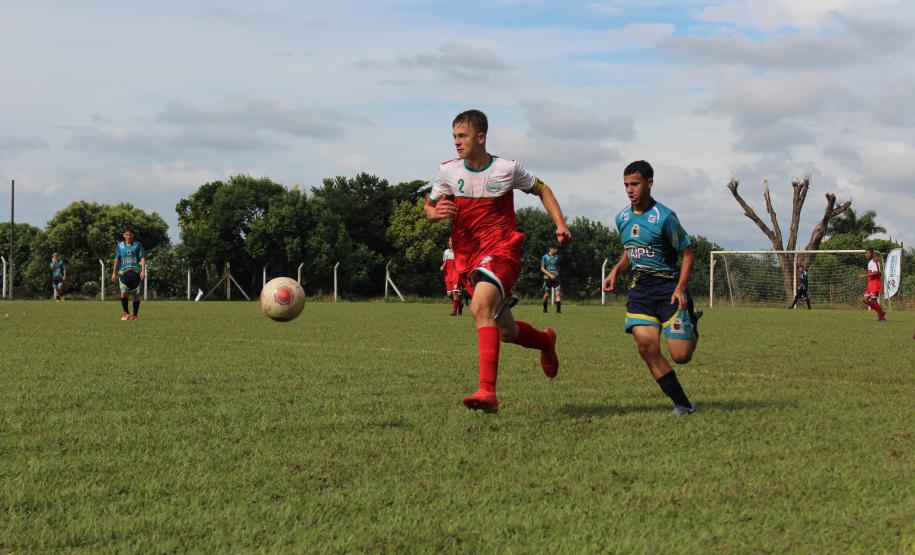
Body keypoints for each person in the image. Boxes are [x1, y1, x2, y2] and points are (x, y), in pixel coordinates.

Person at [425, 109, 572, 413]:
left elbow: (542, 189)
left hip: (502, 250)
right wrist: (434, 213)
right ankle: (546, 341)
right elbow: (430, 205)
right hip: (467, 257)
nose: (456, 142)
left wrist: (560, 223)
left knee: (479, 308)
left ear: (481, 137)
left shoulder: (507, 169)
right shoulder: (448, 171)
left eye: (462, 136)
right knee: (505, 331)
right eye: (453, 136)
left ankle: (487, 392)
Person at [603, 160, 701, 416]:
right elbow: (631, 252)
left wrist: (681, 287)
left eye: (635, 184)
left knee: (681, 356)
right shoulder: (622, 218)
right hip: (641, 291)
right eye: (626, 185)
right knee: (647, 348)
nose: (630, 190)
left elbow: (687, 254)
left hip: (668, 289)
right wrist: (615, 270)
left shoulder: (665, 217)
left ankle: (692, 322)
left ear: (649, 183)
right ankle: (683, 404)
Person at [110, 227, 146, 321]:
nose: (128, 236)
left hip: (135, 273)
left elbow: (142, 258)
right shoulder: (120, 245)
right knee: (123, 293)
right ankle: (126, 312)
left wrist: (143, 271)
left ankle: (134, 315)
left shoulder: (138, 245)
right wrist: (114, 272)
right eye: (126, 234)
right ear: (123, 235)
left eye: (130, 234)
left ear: (133, 235)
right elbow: (117, 259)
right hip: (123, 273)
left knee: (136, 296)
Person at [859, 248, 887, 322]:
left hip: (874, 283)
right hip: (870, 283)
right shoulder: (870, 262)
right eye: (866, 253)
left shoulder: (874, 261)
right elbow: (879, 273)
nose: (867, 254)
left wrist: (864, 276)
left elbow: (876, 273)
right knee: (865, 300)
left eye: (869, 253)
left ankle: (882, 318)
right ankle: (880, 311)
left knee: (874, 301)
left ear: (872, 254)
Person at [441, 239, 463, 316]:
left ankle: (454, 311)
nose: (450, 242)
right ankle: (459, 304)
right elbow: (445, 261)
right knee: (449, 294)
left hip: (456, 275)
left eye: (452, 241)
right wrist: (443, 266)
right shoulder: (446, 251)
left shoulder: (459, 252)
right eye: (449, 241)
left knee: (455, 293)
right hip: (448, 275)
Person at [541, 245, 561, 313]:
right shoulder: (544, 257)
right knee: (546, 295)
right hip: (548, 278)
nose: (556, 250)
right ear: (550, 249)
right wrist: (549, 274)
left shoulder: (557, 257)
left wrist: (557, 273)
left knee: (558, 294)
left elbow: (558, 267)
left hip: (556, 277)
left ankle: (558, 311)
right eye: (554, 248)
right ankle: (545, 308)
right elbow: (542, 268)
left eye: (556, 249)